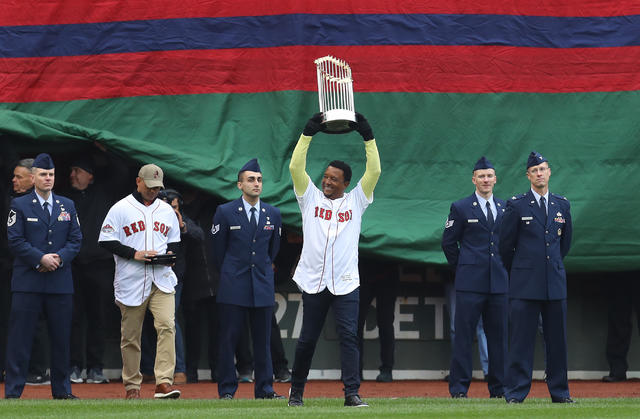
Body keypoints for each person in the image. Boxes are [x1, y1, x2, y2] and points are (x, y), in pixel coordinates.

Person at [287, 112, 381, 408]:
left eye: (333, 179)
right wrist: (307, 134)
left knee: (349, 338)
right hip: (314, 280)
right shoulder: (309, 197)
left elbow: (375, 171)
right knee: (306, 341)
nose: (327, 181)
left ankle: (351, 394)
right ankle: (297, 393)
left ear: (346, 183)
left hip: (345, 282)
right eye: (326, 177)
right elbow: (294, 166)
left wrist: (368, 137)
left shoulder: (357, 200)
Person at [98, 163, 181, 399]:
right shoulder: (121, 208)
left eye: (157, 187)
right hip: (131, 279)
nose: (153, 191)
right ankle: (132, 386)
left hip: (162, 279)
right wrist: (135, 253)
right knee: (131, 336)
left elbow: (174, 242)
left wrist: (169, 258)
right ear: (138, 181)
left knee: (166, 326)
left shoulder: (166, 210)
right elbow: (105, 239)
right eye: (150, 186)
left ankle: (163, 382)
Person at [4, 153, 82, 399]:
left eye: (51, 175)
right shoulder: (20, 205)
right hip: (29, 281)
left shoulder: (66, 205)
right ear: (33, 177)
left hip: (59, 282)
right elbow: (15, 240)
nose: (48, 179)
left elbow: (76, 239)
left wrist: (58, 258)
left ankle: (62, 391)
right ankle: (14, 392)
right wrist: (40, 258)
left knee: (61, 339)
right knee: (20, 338)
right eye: (43, 175)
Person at [499, 151, 573, 403]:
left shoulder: (562, 204)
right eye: (535, 171)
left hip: (554, 284)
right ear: (528, 176)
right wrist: (522, 269)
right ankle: (516, 393)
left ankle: (560, 393)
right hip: (524, 285)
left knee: (558, 343)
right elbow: (504, 246)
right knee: (521, 343)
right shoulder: (517, 205)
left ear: (549, 172)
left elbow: (564, 244)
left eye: (543, 169)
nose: (540, 174)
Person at [210, 158, 283, 399]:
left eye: (259, 180)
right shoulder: (225, 211)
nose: (256, 184)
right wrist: (232, 273)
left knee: (263, 342)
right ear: (239, 184)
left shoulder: (273, 213)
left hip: (261, 284)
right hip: (233, 284)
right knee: (228, 340)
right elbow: (218, 252)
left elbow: (273, 250)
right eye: (251, 179)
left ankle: (265, 389)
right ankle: (227, 390)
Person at [441, 156, 509, 399]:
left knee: (499, 338)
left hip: (499, 283)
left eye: (489, 176)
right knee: (463, 337)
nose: (486, 180)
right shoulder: (460, 207)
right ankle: (459, 389)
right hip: (470, 283)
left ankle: (499, 389)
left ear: (495, 179)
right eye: (481, 176)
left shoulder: (505, 207)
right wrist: (464, 267)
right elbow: (448, 243)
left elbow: (511, 243)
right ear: (474, 179)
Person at [67, 158, 119, 384]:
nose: (72, 175)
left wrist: (102, 153)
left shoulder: (104, 193)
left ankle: (96, 368)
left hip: (101, 266)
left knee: (98, 318)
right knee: (74, 318)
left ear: (90, 175)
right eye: (71, 171)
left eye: (77, 170)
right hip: (74, 266)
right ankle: (75, 366)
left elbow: (120, 171)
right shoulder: (65, 199)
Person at [140, 188, 190, 385]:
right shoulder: (150, 216)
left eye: (175, 206)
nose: (170, 208)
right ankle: (146, 369)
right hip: (144, 274)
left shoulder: (179, 218)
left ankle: (179, 370)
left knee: (169, 323)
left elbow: (198, 234)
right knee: (142, 322)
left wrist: (181, 223)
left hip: (173, 278)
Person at [357, 257, 398, 383]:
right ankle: (354, 370)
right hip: (361, 272)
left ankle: (387, 369)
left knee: (386, 324)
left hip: (388, 272)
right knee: (355, 325)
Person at [602, 271, 640, 382]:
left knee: (618, 319)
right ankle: (617, 370)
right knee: (618, 317)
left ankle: (617, 370)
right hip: (618, 271)